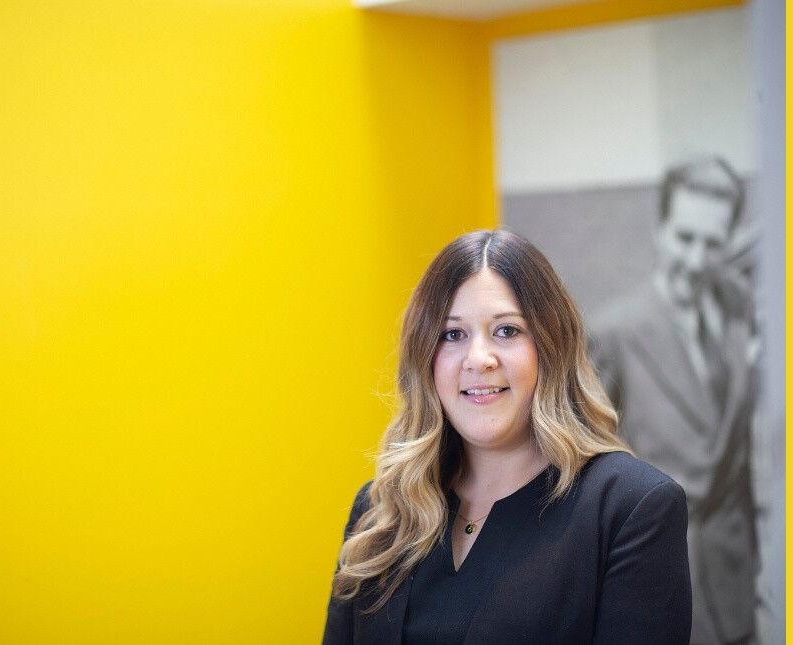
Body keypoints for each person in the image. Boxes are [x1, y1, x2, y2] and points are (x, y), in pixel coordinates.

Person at [324, 230, 692, 644]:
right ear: (424, 356)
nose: (478, 359)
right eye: (452, 334)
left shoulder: (632, 510)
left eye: (506, 331)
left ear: (551, 346)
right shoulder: (380, 513)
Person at [588, 158, 759, 645]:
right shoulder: (613, 332)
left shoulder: (740, 309)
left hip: (736, 580)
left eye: (713, 242)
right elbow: (589, 466)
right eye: (685, 239)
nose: (698, 260)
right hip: (656, 580)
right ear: (659, 231)